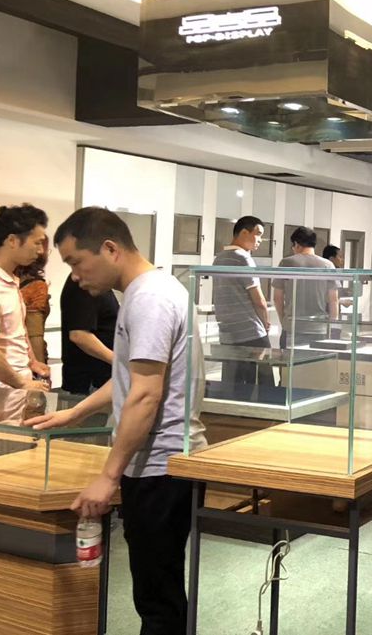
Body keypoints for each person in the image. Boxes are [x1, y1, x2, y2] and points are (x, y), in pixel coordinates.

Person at [28, 207, 206, 635]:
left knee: (157, 599)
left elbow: (146, 394)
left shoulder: (148, 299)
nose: (75, 276)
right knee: (157, 591)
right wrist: (75, 412)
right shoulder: (152, 290)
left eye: (76, 262)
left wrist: (108, 477)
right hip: (161, 465)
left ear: (110, 249)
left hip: (161, 467)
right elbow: (129, 377)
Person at [0, 204, 51, 423]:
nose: (40, 251)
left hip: (10, 390)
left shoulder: (9, 280)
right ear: (12, 240)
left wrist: (32, 361)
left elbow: (16, 329)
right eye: (36, 242)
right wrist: (22, 383)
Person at [211, 216, 273, 396]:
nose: (260, 240)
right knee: (265, 380)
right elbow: (258, 300)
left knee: (235, 382)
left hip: (228, 331)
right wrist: (266, 323)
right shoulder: (243, 258)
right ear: (244, 232)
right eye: (258, 234)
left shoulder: (219, 258)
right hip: (250, 330)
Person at [271, 226, 338, 347]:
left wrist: (284, 321)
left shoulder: (287, 263)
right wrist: (333, 327)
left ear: (296, 244)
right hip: (319, 328)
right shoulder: (328, 265)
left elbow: (277, 298)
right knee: (316, 359)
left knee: (289, 359)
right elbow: (333, 300)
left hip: (292, 327)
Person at [60, 273, 119, 395]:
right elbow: (79, 335)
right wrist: (120, 362)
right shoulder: (84, 283)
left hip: (98, 380)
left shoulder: (98, 284)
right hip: (90, 382)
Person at [16, 245, 51, 364]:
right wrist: (40, 368)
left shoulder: (4, 282)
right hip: (27, 359)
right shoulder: (36, 287)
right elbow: (35, 334)